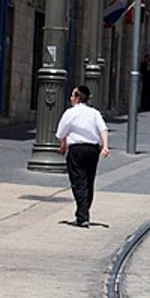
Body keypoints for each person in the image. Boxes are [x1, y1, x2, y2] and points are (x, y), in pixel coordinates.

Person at [55, 85, 110, 227]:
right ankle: (83, 213)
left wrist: (63, 145)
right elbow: (103, 129)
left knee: (78, 181)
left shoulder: (70, 113)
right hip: (92, 149)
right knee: (89, 180)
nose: (71, 98)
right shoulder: (94, 113)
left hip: (77, 149)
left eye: (73, 96)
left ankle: (83, 215)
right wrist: (105, 146)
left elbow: (61, 133)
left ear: (78, 98)